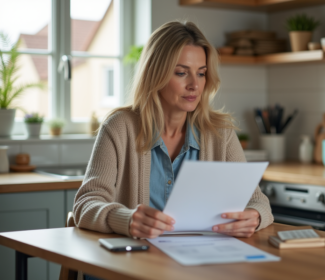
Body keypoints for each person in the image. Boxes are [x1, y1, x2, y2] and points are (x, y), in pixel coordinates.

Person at [73, 21, 273, 244]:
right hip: (133, 264)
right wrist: (127, 219)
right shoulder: (120, 127)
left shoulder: (220, 132)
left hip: (200, 262)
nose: (194, 85)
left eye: (201, 73)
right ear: (155, 74)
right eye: (181, 73)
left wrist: (254, 217)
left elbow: (258, 201)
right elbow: (85, 204)